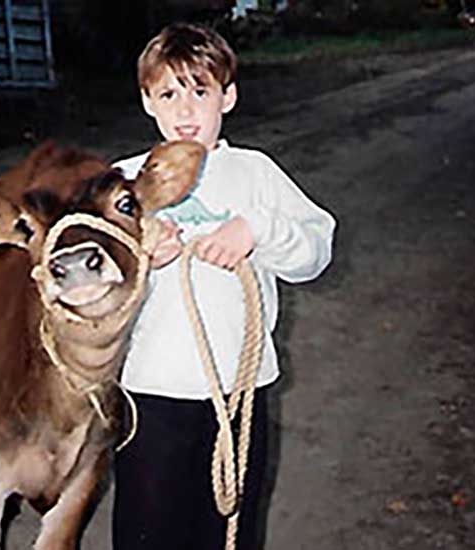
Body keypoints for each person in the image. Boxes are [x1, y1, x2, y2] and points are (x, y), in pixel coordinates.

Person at [111, 22, 336, 550]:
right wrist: (139, 257)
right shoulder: (123, 182)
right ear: (147, 102)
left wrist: (256, 230)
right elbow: (87, 289)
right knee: (147, 533)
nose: (185, 110)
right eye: (168, 93)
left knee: (229, 530)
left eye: (200, 91)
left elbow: (315, 254)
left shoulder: (255, 173)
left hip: (241, 395)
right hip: (150, 395)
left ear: (227, 96)